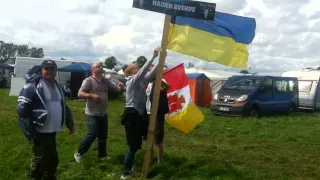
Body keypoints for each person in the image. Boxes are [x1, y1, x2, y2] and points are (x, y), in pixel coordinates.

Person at [17, 60, 74, 180]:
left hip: (52, 129)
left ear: (55, 70)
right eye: (46, 68)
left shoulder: (58, 86)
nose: (49, 71)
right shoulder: (33, 86)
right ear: (41, 70)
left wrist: (70, 124)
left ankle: (49, 176)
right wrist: (30, 131)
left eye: (52, 69)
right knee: (40, 159)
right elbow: (22, 111)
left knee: (52, 158)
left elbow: (64, 106)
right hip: (38, 130)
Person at [120, 49, 160, 179]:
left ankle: (129, 169)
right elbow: (143, 72)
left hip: (138, 115)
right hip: (131, 115)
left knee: (136, 145)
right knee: (132, 146)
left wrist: (161, 60)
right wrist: (153, 57)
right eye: (136, 67)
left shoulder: (140, 81)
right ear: (131, 72)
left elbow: (149, 75)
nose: (138, 68)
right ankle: (125, 173)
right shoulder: (131, 81)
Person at [74, 62, 124, 163]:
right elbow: (80, 93)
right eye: (98, 66)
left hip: (103, 112)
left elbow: (116, 90)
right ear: (93, 70)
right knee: (92, 134)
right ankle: (79, 153)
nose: (101, 67)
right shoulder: (88, 81)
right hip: (92, 113)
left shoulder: (106, 81)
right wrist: (91, 96)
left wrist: (121, 87)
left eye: (101, 66)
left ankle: (102, 155)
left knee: (103, 136)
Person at [146, 78, 170, 163]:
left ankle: (160, 161)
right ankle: (150, 159)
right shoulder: (148, 83)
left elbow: (166, 87)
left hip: (157, 114)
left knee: (157, 138)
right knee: (149, 137)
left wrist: (160, 86)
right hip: (148, 112)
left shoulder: (161, 81)